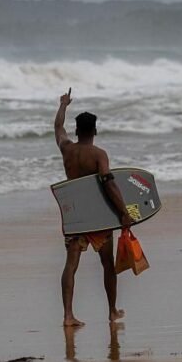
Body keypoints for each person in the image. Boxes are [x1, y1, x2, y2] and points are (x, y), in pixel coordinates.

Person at [54, 88, 133, 327]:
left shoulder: (67, 149)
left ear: (77, 130)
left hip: (76, 215)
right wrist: (123, 212)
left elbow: (58, 129)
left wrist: (63, 105)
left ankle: (68, 315)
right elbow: (108, 184)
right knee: (107, 264)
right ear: (95, 131)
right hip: (98, 217)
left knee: (71, 264)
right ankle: (111, 311)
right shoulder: (99, 154)